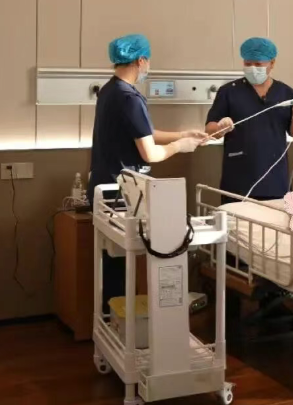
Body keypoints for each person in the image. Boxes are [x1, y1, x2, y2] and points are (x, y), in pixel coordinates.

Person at [87, 33, 208, 313]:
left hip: (107, 189)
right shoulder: (129, 98)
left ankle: (114, 319)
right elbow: (150, 153)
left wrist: (182, 134)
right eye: (148, 61)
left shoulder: (110, 91)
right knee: (121, 266)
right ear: (141, 60)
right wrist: (180, 147)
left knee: (113, 264)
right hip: (122, 194)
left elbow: (144, 132)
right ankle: (126, 321)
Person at [205, 37, 293, 204]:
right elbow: (209, 131)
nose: (252, 68)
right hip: (237, 182)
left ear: (272, 63)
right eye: (248, 63)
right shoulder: (229, 92)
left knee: (273, 219)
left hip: (275, 181)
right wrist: (221, 127)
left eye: (258, 64)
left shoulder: (286, 93)